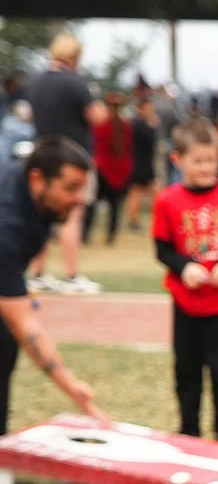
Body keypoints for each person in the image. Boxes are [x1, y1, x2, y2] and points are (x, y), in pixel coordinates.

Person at [152, 120, 218, 444]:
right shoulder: (167, 200)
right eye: (198, 161)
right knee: (187, 375)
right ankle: (189, 435)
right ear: (177, 160)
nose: (206, 167)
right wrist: (183, 268)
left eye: (211, 159)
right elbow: (162, 248)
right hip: (186, 305)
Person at [0, 139, 107, 435]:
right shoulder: (7, 224)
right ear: (38, 178)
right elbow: (24, 324)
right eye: (71, 188)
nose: (79, 198)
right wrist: (72, 386)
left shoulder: (37, 200)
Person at [24, 34, 108, 295]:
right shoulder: (75, 83)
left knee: (42, 213)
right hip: (72, 159)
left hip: (42, 156)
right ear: (74, 57)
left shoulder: (35, 82)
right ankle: (71, 275)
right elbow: (99, 117)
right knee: (72, 215)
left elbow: (28, 116)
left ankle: (37, 273)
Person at [83, 93, 134, 246]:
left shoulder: (101, 126)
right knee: (115, 206)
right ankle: (110, 237)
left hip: (102, 168)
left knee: (91, 203)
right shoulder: (126, 126)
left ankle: (85, 235)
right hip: (119, 169)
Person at [125, 91, 160, 232]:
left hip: (146, 162)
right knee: (137, 192)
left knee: (155, 191)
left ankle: (158, 218)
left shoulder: (142, 123)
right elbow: (148, 139)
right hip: (139, 163)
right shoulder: (137, 124)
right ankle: (133, 221)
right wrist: (152, 126)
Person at [0, 100, 35, 165]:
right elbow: (29, 133)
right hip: (6, 160)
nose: (30, 115)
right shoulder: (10, 124)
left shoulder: (7, 121)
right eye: (28, 113)